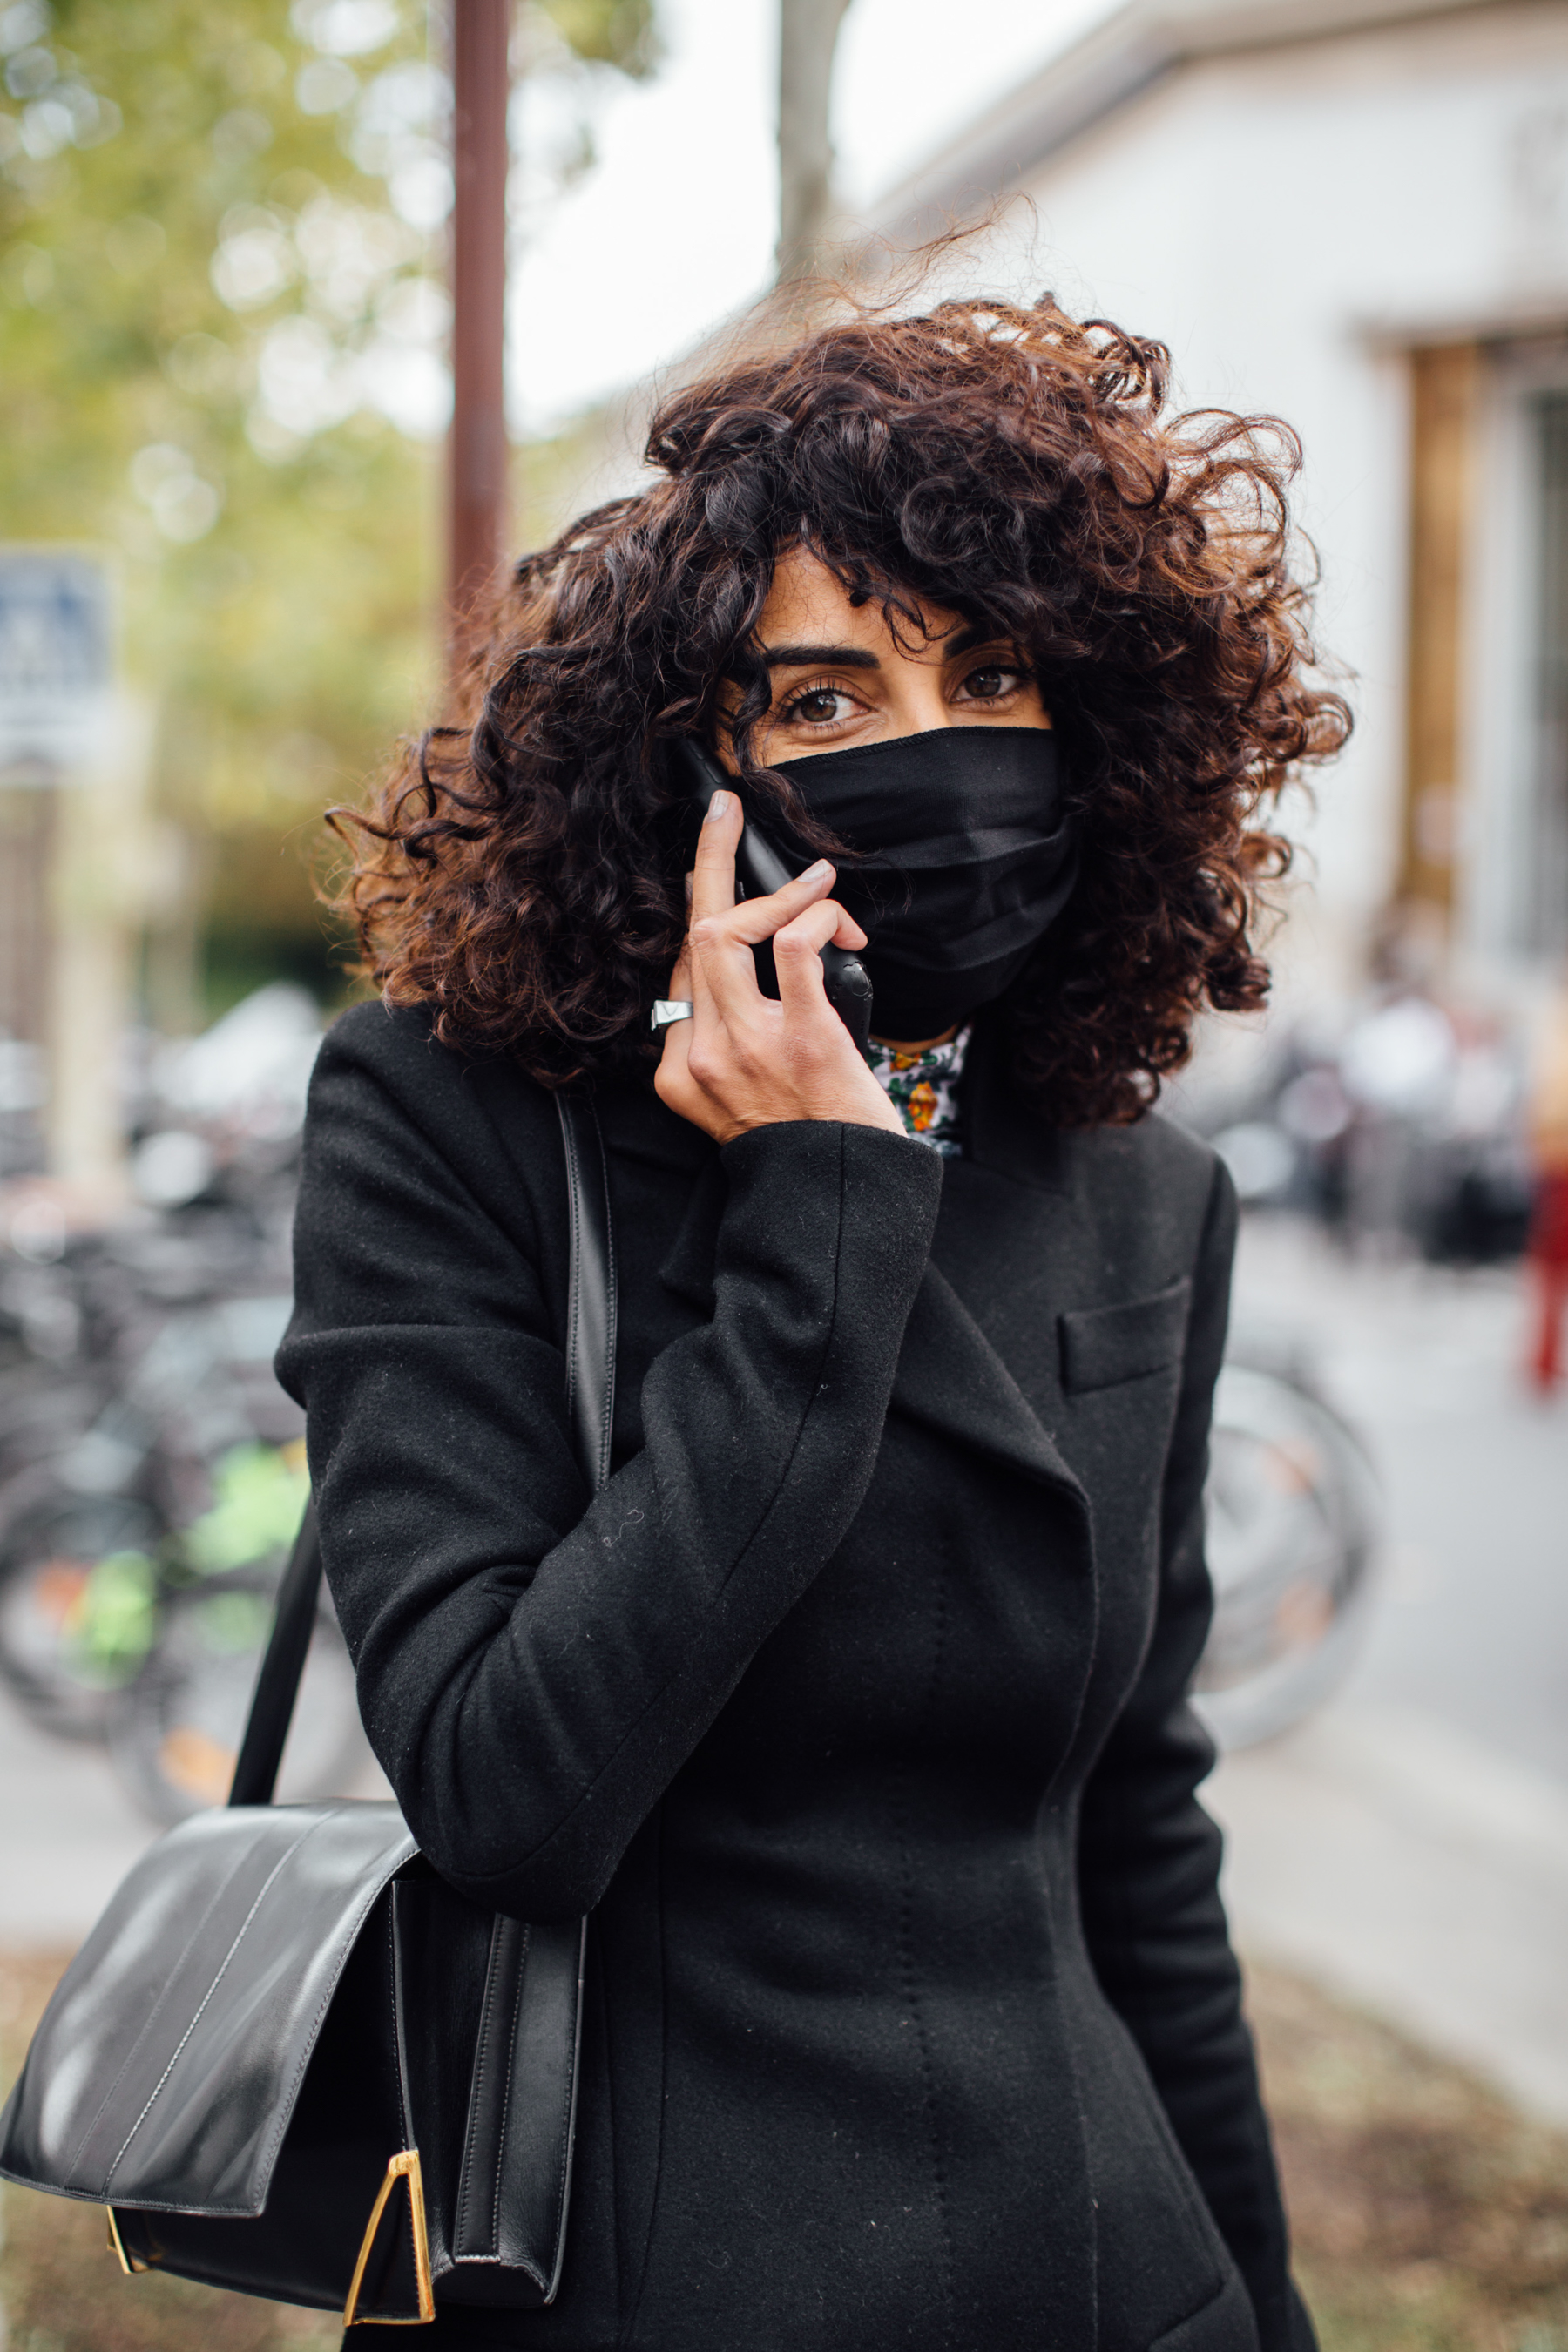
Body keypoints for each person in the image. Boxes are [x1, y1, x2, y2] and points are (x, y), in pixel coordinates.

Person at [280, 291, 1348, 2352]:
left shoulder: (1144, 1191)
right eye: (831, 699)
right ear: (708, 770)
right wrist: (818, 1215)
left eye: (996, 674)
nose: (937, 750)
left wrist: (1265, 2307)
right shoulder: (447, 1122)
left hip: (1101, 2270)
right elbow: (509, 1792)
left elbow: (1139, 1825)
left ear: (1103, 732)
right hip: (651, 2272)